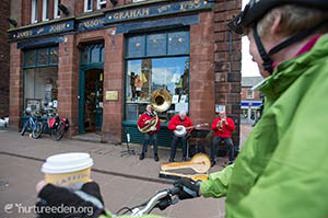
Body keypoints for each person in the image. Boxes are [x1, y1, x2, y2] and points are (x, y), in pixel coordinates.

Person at [35, 1, 328, 217]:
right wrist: (203, 184)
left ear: (274, 26)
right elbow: (253, 166)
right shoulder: (295, 92)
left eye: (249, 39)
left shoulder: (315, 98)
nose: (251, 53)